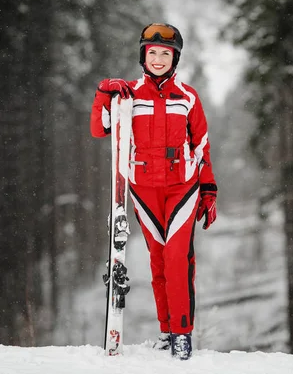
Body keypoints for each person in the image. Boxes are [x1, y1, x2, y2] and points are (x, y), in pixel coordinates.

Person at [90, 23, 217, 360]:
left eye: (166, 53)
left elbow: (201, 145)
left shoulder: (187, 97)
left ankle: (182, 334)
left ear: (175, 58)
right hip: (144, 190)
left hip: (183, 188)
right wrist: (104, 93)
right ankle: (166, 330)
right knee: (158, 261)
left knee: (178, 259)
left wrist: (209, 190)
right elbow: (100, 128)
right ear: (142, 56)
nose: (158, 58)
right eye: (152, 52)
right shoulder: (128, 96)